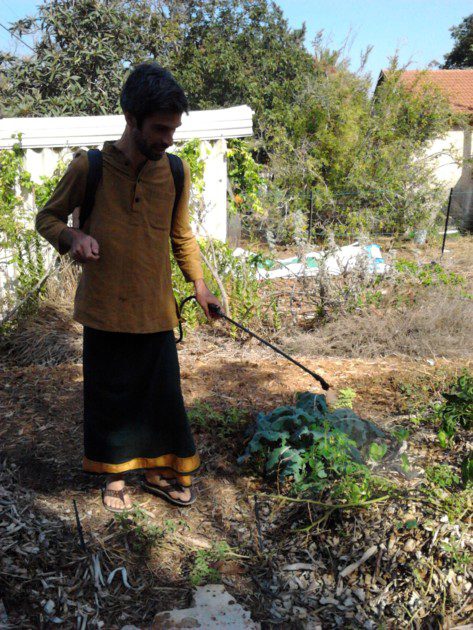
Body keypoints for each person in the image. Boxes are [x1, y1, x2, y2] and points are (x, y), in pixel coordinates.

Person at [35, 62, 222, 513]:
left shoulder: (175, 172)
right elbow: (47, 217)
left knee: (162, 398)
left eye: (173, 129)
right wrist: (73, 237)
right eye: (159, 128)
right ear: (131, 119)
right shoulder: (90, 167)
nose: (168, 139)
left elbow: (181, 235)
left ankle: (158, 470)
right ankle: (114, 476)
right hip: (104, 311)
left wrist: (200, 285)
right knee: (110, 397)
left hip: (156, 311)